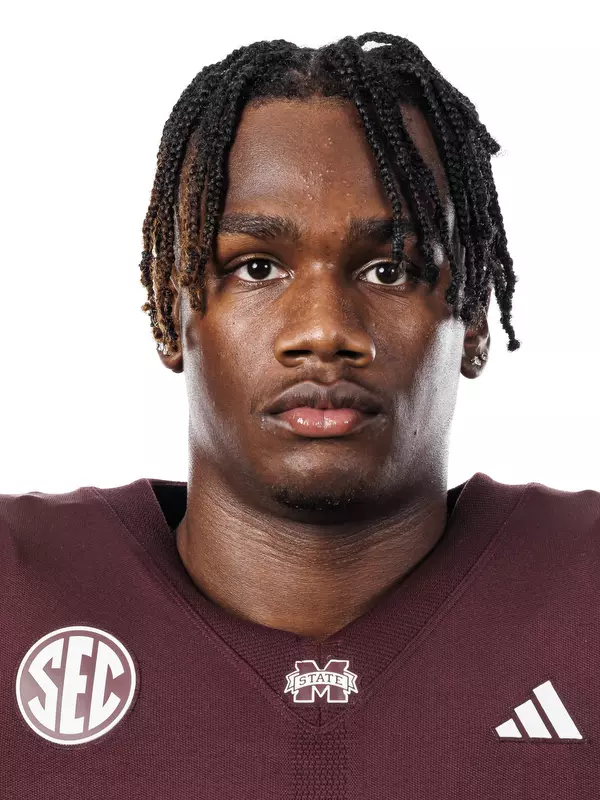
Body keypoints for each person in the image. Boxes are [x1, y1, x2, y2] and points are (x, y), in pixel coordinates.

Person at [2, 32, 598, 800]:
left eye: (391, 269)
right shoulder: (19, 587)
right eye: (257, 267)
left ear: (473, 322)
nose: (323, 330)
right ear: (166, 312)